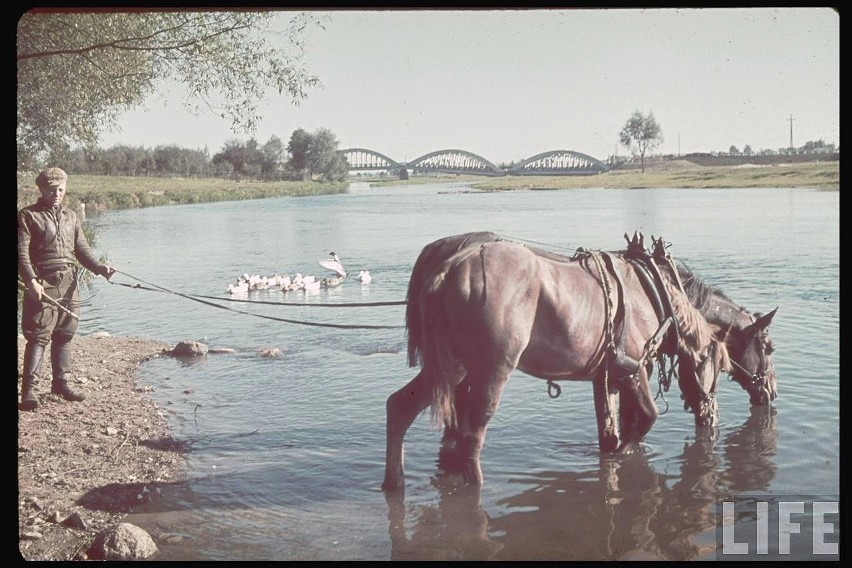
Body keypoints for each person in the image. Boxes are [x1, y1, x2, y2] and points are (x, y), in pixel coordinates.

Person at [17, 167, 115, 411]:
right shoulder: (27, 216)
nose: (57, 193)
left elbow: (82, 251)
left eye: (61, 189)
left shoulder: (72, 216)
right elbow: (21, 254)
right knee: (39, 336)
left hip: (69, 282)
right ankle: (29, 391)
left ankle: (61, 383)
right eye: (52, 190)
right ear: (41, 189)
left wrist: (99, 268)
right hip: (42, 282)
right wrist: (30, 281)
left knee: (65, 333)